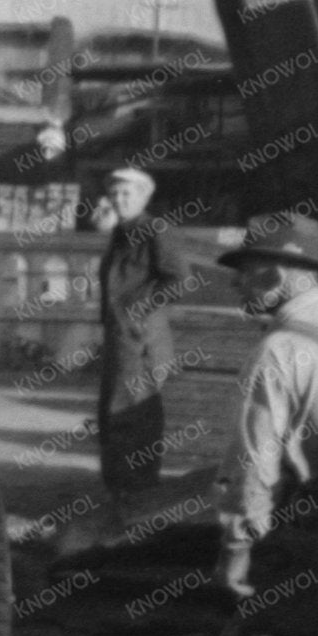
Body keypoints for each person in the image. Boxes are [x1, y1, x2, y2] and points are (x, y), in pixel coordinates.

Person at [214, 212, 318, 599]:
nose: (235, 283)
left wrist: (236, 556)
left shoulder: (276, 352)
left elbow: (255, 466)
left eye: (246, 270)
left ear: (276, 274)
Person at [92, 166, 195, 495]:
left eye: (127, 193)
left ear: (144, 197)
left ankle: (136, 494)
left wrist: (141, 309)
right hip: (120, 335)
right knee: (113, 413)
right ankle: (119, 492)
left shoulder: (155, 229)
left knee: (134, 416)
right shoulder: (121, 232)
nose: (119, 199)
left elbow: (179, 278)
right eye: (115, 193)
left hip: (142, 339)